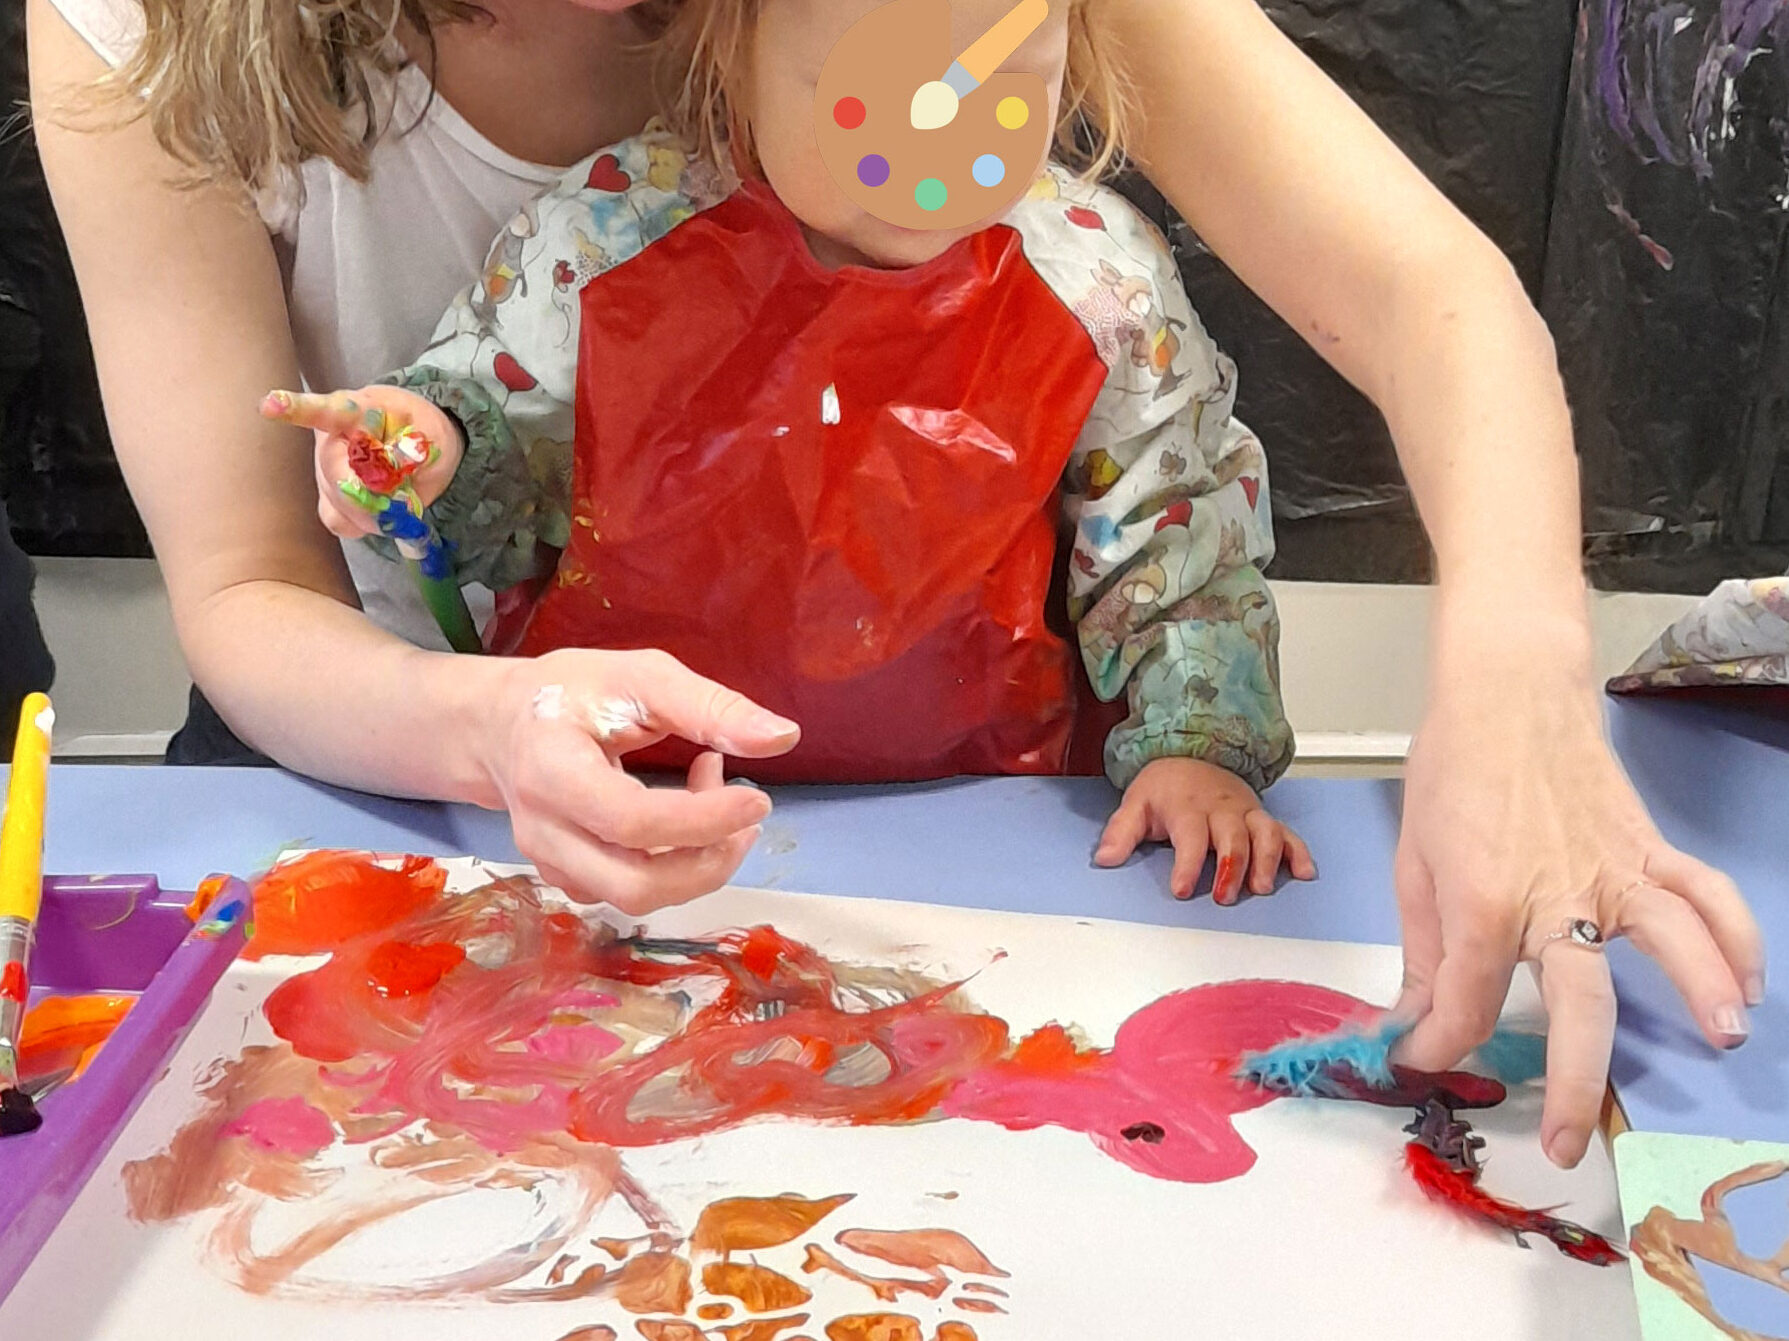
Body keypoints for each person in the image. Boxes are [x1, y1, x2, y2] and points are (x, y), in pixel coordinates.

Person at [27, 0, 1764, 1171]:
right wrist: (476, 712)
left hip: (970, 837)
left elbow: (1421, 296)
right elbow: (255, 581)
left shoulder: (1049, 205)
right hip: (384, 764)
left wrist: (1520, 685)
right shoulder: (155, 39)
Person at [270, 0, 1316, 912]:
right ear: (731, 54)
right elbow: (488, 426)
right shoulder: (599, 241)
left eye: (1004, 90)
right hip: (618, 814)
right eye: (864, 100)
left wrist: (1194, 745)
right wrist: (422, 446)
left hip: (984, 824)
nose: (927, 161)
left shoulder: (1102, 286)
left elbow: (1178, 538)